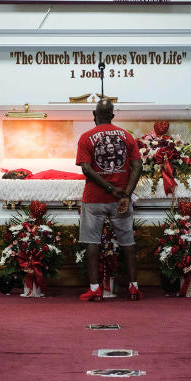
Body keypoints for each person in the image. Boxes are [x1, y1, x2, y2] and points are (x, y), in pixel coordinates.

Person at [75, 99, 144, 301]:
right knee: (128, 243)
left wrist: (110, 189)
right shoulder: (127, 136)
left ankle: (95, 288)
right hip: (121, 200)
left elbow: (87, 169)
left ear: (94, 115)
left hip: (95, 198)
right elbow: (137, 165)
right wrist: (125, 193)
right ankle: (133, 287)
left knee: (92, 242)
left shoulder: (86, 137)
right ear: (113, 116)